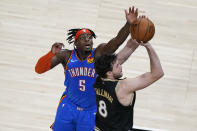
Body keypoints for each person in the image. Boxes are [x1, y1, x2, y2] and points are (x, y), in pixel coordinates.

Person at [35, 6, 139, 131]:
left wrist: (128, 24)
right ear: (75, 43)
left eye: (90, 37)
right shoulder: (66, 55)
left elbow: (116, 42)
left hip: (91, 111)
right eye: (83, 38)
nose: (88, 40)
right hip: (68, 106)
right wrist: (51, 53)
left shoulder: (98, 53)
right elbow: (39, 69)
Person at [94, 38, 164, 131]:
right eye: (117, 66)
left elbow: (119, 58)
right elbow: (157, 73)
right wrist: (148, 47)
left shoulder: (98, 79)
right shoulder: (123, 86)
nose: (121, 66)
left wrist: (134, 41)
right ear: (109, 73)